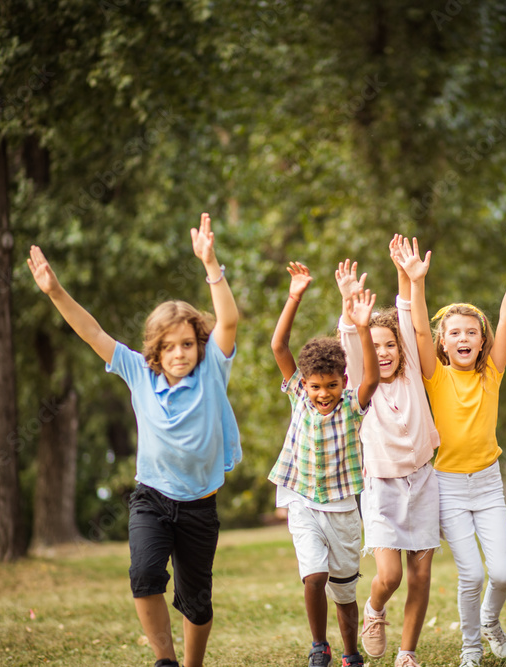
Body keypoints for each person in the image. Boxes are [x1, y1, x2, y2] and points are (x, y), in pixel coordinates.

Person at [27, 213, 241, 667]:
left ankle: (191, 665)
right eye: (170, 347)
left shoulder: (211, 371)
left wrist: (211, 264)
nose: (180, 353)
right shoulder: (138, 373)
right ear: (155, 351)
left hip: (200, 505)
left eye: (187, 343)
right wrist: (54, 291)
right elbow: (92, 332)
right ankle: (165, 661)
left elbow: (228, 319)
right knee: (144, 576)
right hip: (152, 498)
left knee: (196, 602)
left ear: (198, 345)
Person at [395, 229, 506, 667]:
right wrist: (416, 281)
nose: (464, 337)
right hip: (447, 485)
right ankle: (471, 646)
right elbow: (417, 326)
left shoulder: (492, 373)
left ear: (481, 341)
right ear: (444, 341)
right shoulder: (436, 374)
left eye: (472, 331)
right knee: (470, 573)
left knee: (503, 574)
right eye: (455, 332)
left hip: (487, 483)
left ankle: (490, 622)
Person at [268, 262, 380, 667]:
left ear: (342, 380)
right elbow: (279, 346)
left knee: (345, 594)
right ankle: (320, 646)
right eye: (316, 386)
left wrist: (363, 327)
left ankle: (351, 654)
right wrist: (295, 294)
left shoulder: (353, 404)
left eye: (331, 385)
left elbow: (370, 378)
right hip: (302, 500)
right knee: (313, 575)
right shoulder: (298, 393)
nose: (322, 393)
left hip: (343, 510)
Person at [334, 244, 441, 667]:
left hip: (423, 481)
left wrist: (409, 275)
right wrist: (348, 302)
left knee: (420, 574)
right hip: (381, 485)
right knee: (391, 576)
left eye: (389, 344)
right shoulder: (364, 384)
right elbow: (349, 337)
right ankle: (375, 610)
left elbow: (406, 310)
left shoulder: (412, 367)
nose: (383, 351)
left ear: (400, 348)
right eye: (374, 345)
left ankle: (407, 652)